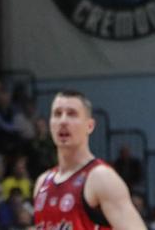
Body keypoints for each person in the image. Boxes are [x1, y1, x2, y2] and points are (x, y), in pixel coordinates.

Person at [32, 90, 146, 230]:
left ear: (90, 126)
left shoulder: (101, 178)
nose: (63, 121)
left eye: (72, 114)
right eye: (57, 114)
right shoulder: (42, 182)